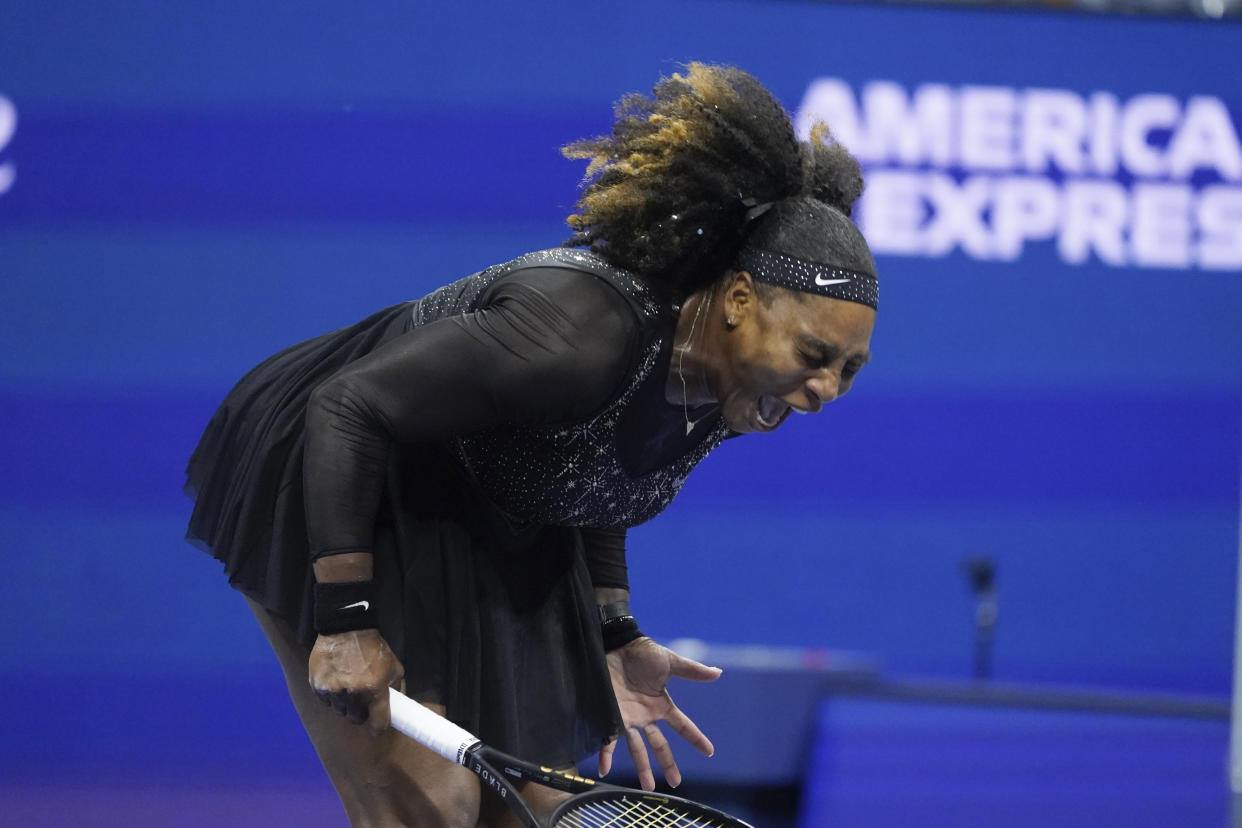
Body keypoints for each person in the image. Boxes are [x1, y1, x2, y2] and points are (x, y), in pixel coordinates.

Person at [185, 62, 877, 827]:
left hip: (488, 502)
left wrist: (614, 627)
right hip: (350, 467)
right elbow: (346, 408)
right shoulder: (579, 336)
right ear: (740, 301)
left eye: (850, 369)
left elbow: (600, 464)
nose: (826, 393)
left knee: (534, 812)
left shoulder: (737, 383)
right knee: (431, 808)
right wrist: (345, 623)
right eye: (816, 357)